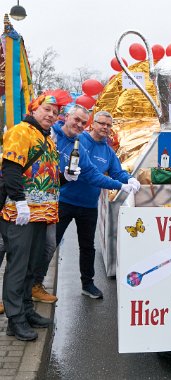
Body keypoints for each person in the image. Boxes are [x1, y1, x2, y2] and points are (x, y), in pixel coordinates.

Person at [32, 105, 139, 302]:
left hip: (89, 205)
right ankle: (36, 283)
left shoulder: (107, 151)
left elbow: (116, 172)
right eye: (102, 123)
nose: (105, 128)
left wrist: (129, 179)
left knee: (88, 246)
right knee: (50, 244)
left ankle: (87, 284)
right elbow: (91, 174)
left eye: (109, 125)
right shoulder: (78, 139)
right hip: (64, 200)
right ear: (94, 124)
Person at [0, 90, 74, 341]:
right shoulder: (21, 132)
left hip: (42, 215)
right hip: (22, 215)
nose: (52, 115)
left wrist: (65, 178)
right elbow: (10, 170)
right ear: (34, 109)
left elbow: (44, 179)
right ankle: (15, 319)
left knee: (31, 267)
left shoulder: (47, 139)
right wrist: (20, 203)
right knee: (18, 267)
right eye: (47, 110)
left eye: (55, 113)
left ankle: (27, 310)